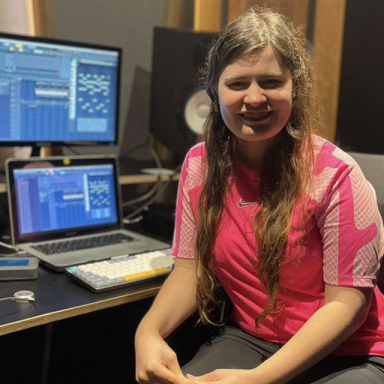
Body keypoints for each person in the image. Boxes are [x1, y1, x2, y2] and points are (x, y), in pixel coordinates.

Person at [135, 6, 384, 383]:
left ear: (294, 87)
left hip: (350, 350)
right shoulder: (199, 165)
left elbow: (347, 303)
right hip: (255, 339)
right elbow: (190, 269)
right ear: (213, 90)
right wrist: (148, 332)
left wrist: (259, 380)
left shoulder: (337, 175)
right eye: (237, 84)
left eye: (270, 82)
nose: (254, 98)